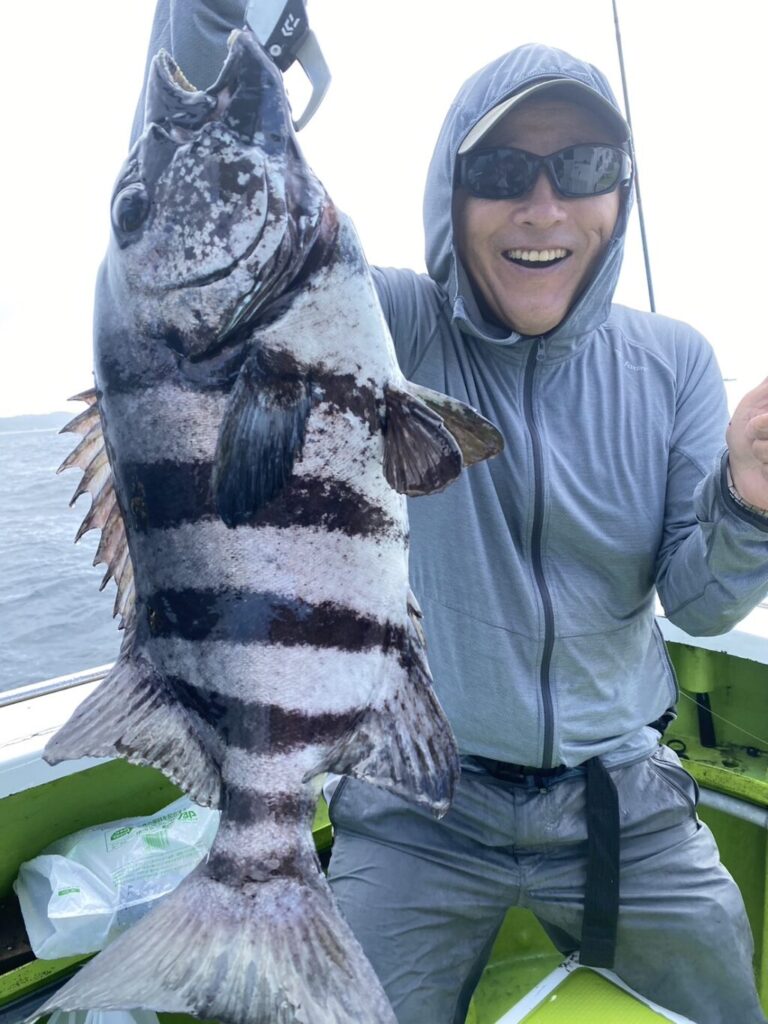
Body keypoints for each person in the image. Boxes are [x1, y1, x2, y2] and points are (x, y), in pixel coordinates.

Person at [131, 8, 768, 1023]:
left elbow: (698, 603)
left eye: (583, 166)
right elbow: (195, 239)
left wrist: (748, 499)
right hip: (419, 801)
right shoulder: (383, 322)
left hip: (624, 800)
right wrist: (207, 29)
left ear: (622, 190)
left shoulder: (676, 361)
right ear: (452, 194)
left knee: (731, 1000)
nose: (543, 209)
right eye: (504, 172)